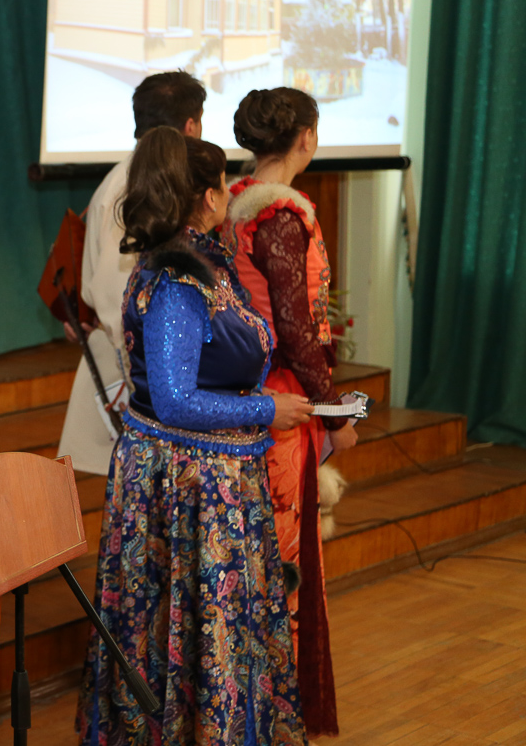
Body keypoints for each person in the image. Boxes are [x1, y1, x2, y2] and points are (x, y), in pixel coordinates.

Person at [76, 128, 313, 746]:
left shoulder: (203, 265)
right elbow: (176, 401)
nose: (230, 198)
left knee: (213, 629)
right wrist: (266, 408)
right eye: (224, 189)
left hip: (212, 482)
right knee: (194, 629)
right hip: (188, 490)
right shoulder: (178, 282)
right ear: (209, 198)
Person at [224, 87, 355, 738]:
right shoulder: (280, 216)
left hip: (248, 392)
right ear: (306, 136)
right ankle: (270, 711)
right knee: (281, 557)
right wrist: (335, 415)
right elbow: (298, 331)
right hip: (278, 399)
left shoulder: (237, 203)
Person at [59, 71, 207, 474]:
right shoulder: (136, 187)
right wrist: (146, 374)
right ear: (190, 126)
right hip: (138, 369)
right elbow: (113, 294)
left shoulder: (132, 179)